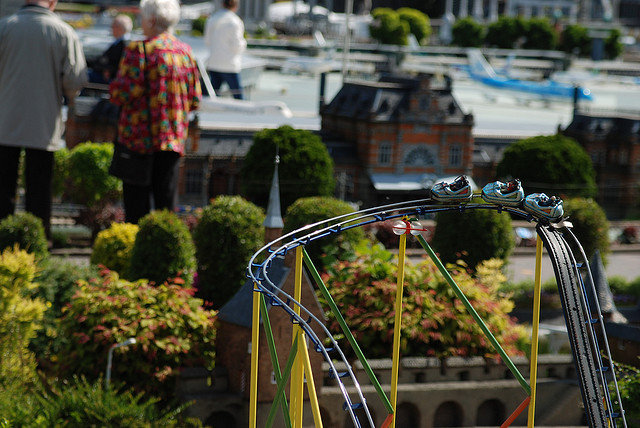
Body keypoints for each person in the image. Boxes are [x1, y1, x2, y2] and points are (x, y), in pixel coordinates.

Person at [0, 0, 87, 239]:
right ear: (53, 2)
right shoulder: (64, 32)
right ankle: (37, 244)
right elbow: (75, 81)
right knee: (39, 189)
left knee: (3, 187)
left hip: (4, 119)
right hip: (43, 120)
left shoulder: (5, 27)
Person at [109, 0, 201, 224]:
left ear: (150, 20)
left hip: (139, 141)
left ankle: (137, 255)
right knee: (165, 210)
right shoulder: (185, 52)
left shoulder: (139, 50)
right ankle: (163, 252)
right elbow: (195, 99)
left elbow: (122, 93)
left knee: (136, 211)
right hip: (172, 140)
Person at [204, 0, 246, 99]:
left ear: (223, 4)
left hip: (214, 62)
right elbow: (237, 45)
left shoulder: (212, 19)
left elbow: (207, 42)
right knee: (238, 96)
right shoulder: (235, 21)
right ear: (236, 6)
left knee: (211, 95)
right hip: (230, 64)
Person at [88, 14, 133, 84]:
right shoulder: (121, 42)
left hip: (110, 78)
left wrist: (109, 70)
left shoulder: (124, 44)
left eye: (114, 26)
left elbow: (121, 63)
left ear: (120, 28)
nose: (111, 28)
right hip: (103, 72)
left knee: (83, 76)